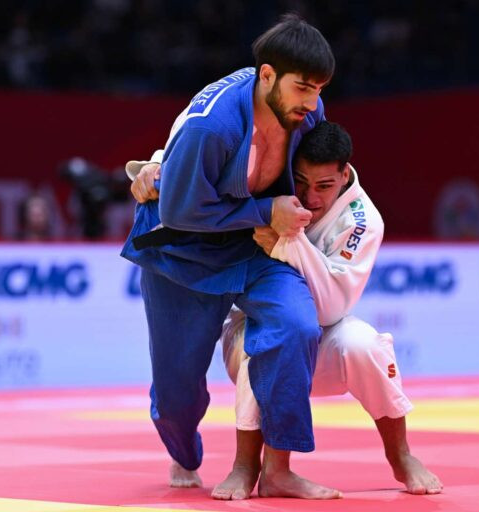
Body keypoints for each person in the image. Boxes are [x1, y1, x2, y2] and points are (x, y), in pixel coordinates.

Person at [132, 122, 443, 499]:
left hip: (320, 331)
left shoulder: (361, 220)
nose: (310, 197)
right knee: (227, 359)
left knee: (365, 346)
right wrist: (158, 164)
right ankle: (225, 461)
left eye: (324, 186)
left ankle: (401, 455)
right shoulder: (273, 175)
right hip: (241, 308)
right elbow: (219, 157)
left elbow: (329, 309)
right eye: (301, 182)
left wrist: (288, 242)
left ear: (345, 174)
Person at [122, 15, 341, 499]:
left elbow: (323, 167)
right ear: (267, 75)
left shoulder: (308, 112)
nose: (311, 103)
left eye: (319, 89)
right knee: (177, 395)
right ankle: (183, 450)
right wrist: (265, 208)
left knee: (296, 326)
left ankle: (278, 468)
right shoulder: (215, 125)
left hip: (255, 244)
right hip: (183, 250)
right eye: (303, 88)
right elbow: (179, 212)